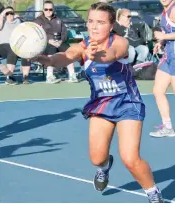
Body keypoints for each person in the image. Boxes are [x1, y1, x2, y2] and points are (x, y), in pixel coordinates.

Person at [32, 3, 163, 202]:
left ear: (111, 26)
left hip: (127, 102)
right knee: (96, 158)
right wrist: (48, 60)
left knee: (130, 158)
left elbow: (113, 54)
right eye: (91, 21)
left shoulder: (119, 42)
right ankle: (104, 167)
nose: (93, 26)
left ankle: (153, 193)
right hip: (101, 104)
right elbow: (67, 56)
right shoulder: (84, 45)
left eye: (100, 22)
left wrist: (98, 56)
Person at [34, 0, 78, 83]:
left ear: (53, 10)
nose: (48, 11)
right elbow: (36, 34)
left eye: (50, 9)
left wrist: (61, 41)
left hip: (59, 42)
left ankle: (72, 75)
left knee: (69, 52)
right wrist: (48, 41)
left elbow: (64, 32)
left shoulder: (58, 20)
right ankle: (49, 76)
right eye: (46, 9)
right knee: (51, 50)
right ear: (43, 10)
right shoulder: (38, 21)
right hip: (45, 44)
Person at [150, 0, 175, 137]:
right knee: (158, 90)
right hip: (169, 57)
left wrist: (164, 36)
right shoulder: (165, 11)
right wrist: (161, 42)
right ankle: (168, 127)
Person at [0, 6, 31, 84]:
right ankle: (9, 77)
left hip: (15, 46)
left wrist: (19, 17)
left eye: (11, 13)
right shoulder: (1, 21)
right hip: (1, 46)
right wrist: (2, 14)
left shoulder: (18, 21)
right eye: (7, 13)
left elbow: (27, 29)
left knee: (26, 51)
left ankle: (25, 77)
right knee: (12, 49)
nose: (9, 15)